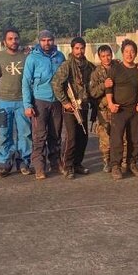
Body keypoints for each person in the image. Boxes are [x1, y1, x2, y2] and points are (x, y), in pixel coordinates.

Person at [23, 30, 65, 180]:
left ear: (53, 41)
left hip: (57, 101)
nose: (47, 43)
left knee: (56, 134)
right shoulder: (32, 58)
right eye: (44, 40)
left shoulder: (60, 57)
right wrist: (28, 105)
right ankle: (39, 167)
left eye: (49, 40)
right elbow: (26, 82)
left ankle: (55, 163)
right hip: (40, 101)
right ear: (39, 42)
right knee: (39, 136)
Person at [52, 37, 95, 179]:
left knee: (83, 136)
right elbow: (56, 84)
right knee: (71, 137)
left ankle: (77, 164)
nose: (80, 51)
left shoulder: (89, 66)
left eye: (82, 48)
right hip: (70, 107)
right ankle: (68, 166)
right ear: (72, 49)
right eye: (77, 48)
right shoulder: (67, 65)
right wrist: (65, 102)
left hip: (83, 105)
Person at [0, 27, 32, 177]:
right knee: (4, 133)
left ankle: (23, 161)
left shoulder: (26, 56)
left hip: (22, 100)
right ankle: (4, 161)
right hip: (4, 101)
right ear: (4, 41)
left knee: (25, 133)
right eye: (10, 39)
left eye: (16, 38)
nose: (13, 41)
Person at [105, 40, 138, 180]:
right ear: (122, 52)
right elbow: (108, 87)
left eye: (132, 51)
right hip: (119, 110)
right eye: (126, 51)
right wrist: (110, 103)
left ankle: (132, 163)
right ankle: (116, 166)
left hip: (134, 110)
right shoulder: (115, 69)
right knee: (117, 139)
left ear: (136, 53)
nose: (129, 54)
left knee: (134, 139)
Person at [89, 45, 117, 172]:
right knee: (105, 138)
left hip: (117, 108)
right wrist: (103, 86)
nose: (106, 58)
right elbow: (93, 93)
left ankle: (118, 161)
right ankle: (106, 161)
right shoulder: (95, 73)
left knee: (120, 137)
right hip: (103, 110)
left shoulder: (118, 68)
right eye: (103, 56)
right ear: (100, 57)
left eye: (108, 55)